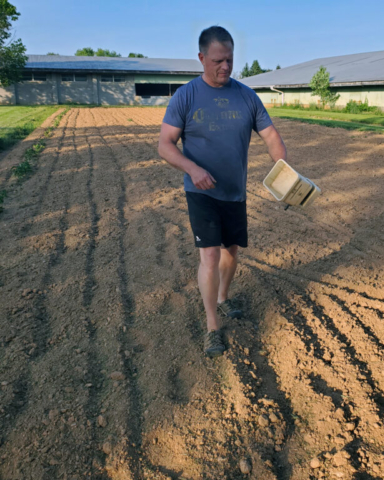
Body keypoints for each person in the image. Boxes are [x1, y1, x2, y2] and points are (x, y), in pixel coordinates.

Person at [158, 26, 287, 358]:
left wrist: (283, 171)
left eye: (229, 60)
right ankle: (212, 325)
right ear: (202, 58)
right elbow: (165, 145)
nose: (225, 67)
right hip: (200, 191)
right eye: (218, 60)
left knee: (231, 251)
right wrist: (192, 168)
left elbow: (271, 136)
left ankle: (223, 297)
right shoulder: (186, 96)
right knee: (211, 255)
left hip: (234, 191)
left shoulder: (246, 96)